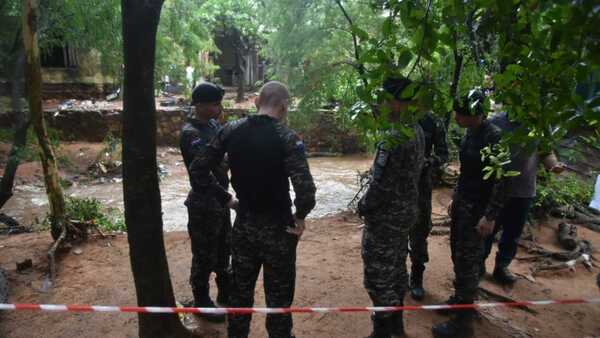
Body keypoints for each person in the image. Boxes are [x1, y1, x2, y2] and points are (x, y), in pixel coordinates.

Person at [189, 81, 316, 338]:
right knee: (279, 301)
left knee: (240, 296)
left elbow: (199, 169)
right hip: (280, 230)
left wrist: (225, 198)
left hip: (244, 226)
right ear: (283, 106)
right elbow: (306, 191)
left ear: (257, 101)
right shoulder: (287, 137)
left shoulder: (230, 130)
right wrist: (300, 217)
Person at [432, 89, 507, 338]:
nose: (456, 117)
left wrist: (490, 216)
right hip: (463, 206)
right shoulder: (469, 134)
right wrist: (456, 196)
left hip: (479, 212)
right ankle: (460, 300)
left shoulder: (494, 137)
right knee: (458, 255)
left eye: (460, 113)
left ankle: (462, 325)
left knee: (469, 262)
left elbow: (503, 181)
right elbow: (466, 172)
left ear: (475, 114)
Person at [358, 77, 425, 338]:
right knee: (396, 269)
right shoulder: (416, 129)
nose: (382, 105)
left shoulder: (394, 137)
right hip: (405, 212)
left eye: (385, 100)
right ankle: (396, 329)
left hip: (386, 217)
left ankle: (384, 332)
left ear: (397, 102)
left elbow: (381, 186)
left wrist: (364, 205)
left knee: (378, 275)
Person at [482, 111, 564, 284]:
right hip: (495, 190)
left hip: (524, 190)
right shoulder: (495, 122)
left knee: (512, 233)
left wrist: (554, 166)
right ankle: (477, 264)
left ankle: (502, 267)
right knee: (487, 230)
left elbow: (545, 152)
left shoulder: (538, 124)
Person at [180, 82, 231, 323]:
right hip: (204, 203)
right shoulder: (191, 133)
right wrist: (227, 198)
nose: (219, 108)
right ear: (199, 105)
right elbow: (202, 174)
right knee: (203, 255)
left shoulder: (213, 125)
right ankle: (201, 300)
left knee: (224, 248)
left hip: (221, 201)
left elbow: (224, 158)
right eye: (214, 104)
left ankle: (225, 292)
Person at [409, 111, 449, 300]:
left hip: (422, 186)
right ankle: (399, 277)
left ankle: (416, 277)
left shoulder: (433, 121)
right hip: (399, 184)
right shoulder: (398, 115)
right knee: (397, 232)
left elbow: (443, 154)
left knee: (420, 231)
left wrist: (429, 161)